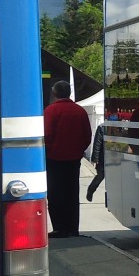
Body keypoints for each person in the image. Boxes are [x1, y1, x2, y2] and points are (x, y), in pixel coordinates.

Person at [44, 80, 92, 238]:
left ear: (54, 93)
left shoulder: (50, 111)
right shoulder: (80, 111)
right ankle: (73, 228)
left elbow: (47, 135)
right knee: (72, 194)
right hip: (74, 159)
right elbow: (87, 136)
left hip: (54, 159)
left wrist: (50, 150)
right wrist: (78, 150)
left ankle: (59, 228)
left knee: (56, 194)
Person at [85, 120, 106, 201]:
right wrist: (95, 159)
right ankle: (91, 190)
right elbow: (97, 144)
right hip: (102, 158)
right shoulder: (102, 127)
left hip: (113, 159)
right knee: (100, 176)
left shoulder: (118, 127)